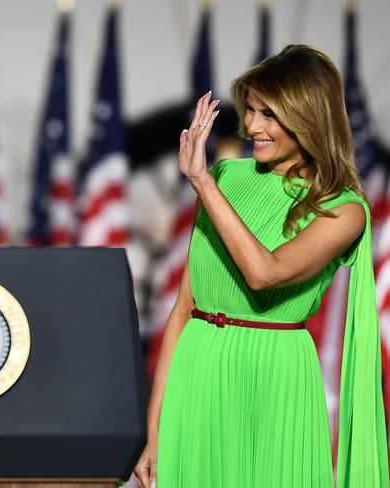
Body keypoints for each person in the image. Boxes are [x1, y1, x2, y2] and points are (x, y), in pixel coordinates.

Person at [134, 45, 389, 488]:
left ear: (308, 118)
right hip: (198, 371)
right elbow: (181, 310)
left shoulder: (344, 210)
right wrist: (151, 431)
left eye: (269, 114)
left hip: (277, 382)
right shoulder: (227, 178)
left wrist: (200, 182)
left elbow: (264, 272)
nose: (252, 126)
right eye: (250, 109)